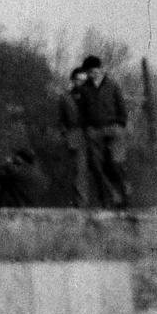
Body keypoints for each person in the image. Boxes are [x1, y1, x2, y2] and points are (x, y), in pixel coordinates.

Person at [77, 55, 130, 209]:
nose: (91, 74)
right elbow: (82, 111)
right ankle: (106, 200)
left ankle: (125, 195)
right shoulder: (85, 89)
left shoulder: (112, 85)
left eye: (94, 71)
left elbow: (122, 107)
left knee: (115, 162)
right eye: (88, 72)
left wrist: (120, 125)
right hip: (94, 130)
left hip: (114, 129)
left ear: (100, 69)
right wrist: (87, 127)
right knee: (97, 167)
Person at [56, 66, 92, 208]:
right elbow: (61, 120)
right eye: (78, 80)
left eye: (84, 80)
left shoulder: (93, 96)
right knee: (79, 172)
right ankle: (81, 205)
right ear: (73, 80)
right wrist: (66, 133)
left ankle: (110, 202)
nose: (81, 83)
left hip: (94, 135)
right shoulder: (65, 98)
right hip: (75, 136)